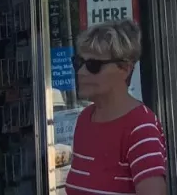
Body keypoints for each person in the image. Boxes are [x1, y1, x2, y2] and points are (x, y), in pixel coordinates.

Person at [65, 20, 167, 195]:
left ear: (125, 69)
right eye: (78, 62)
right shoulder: (85, 119)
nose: (81, 72)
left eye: (93, 66)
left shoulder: (141, 127)